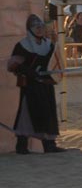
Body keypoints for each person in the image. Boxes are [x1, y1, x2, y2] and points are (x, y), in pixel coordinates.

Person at [7, 15, 67, 154]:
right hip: (30, 86)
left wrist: (50, 74)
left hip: (45, 85)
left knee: (48, 113)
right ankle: (21, 146)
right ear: (30, 29)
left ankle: (49, 145)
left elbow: (54, 62)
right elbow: (13, 66)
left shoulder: (48, 44)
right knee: (27, 115)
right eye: (36, 27)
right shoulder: (22, 45)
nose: (39, 29)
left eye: (41, 26)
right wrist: (31, 72)